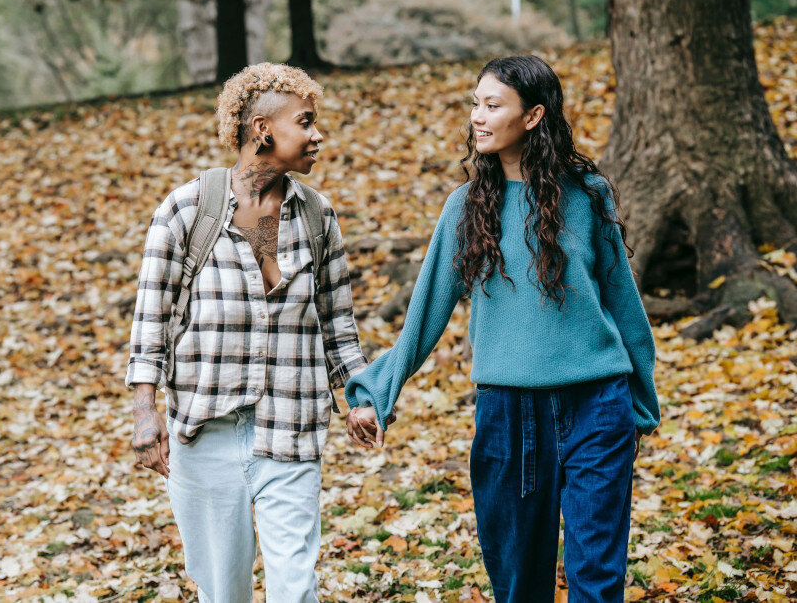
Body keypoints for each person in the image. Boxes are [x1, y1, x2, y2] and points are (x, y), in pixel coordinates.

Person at [344, 55, 661, 603]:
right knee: (518, 586)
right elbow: (425, 316)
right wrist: (377, 392)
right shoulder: (465, 209)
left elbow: (622, 301)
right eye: (475, 104)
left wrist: (641, 400)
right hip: (508, 416)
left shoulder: (587, 195)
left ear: (533, 115)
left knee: (597, 581)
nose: (478, 117)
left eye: (493, 105)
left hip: (596, 404)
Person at [126, 62, 369, 602]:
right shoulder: (187, 210)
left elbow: (338, 324)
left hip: (292, 425)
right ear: (262, 129)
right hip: (205, 430)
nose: (317, 135)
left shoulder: (316, 216)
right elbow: (150, 322)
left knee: (295, 590)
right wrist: (145, 412)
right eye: (304, 122)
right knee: (223, 593)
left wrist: (362, 395)